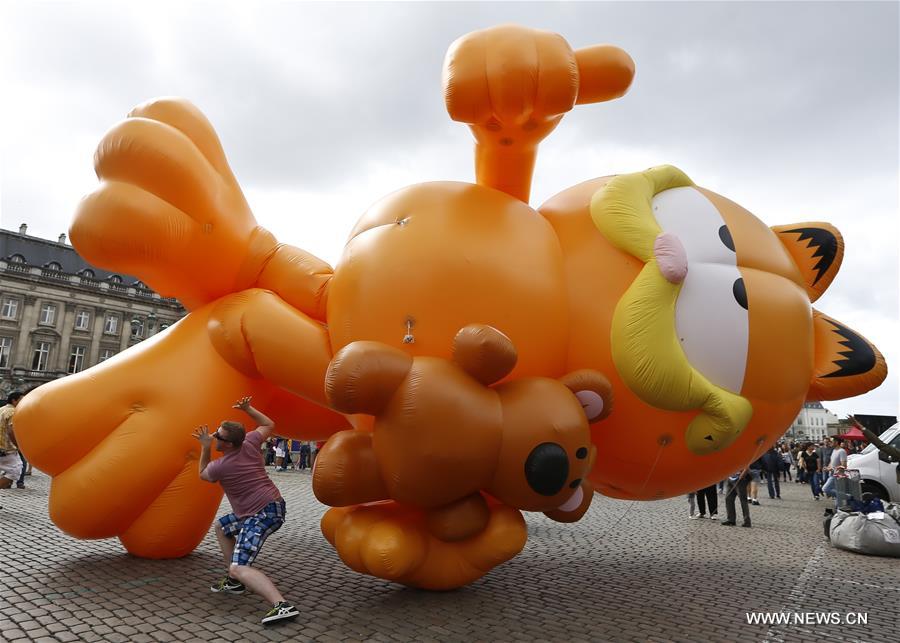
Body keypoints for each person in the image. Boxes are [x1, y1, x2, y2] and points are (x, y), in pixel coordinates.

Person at [193, 396, 299, 625]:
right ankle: (235, 581)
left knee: (239, 566)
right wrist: (248, 409)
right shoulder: (249, 441)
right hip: (265, 507)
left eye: (217, 437)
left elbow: (203, 473)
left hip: (263, 513)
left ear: (229, 444)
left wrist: (205, 448)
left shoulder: (224, 465)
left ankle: (281, 605)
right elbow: (269, 425)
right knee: (222, 526)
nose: (213, 437)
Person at [0, 391, 25, 493]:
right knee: (16, 470)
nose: (23, 402)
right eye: (21, 400)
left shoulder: (2, 409)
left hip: (2, 447)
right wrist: (18, 446)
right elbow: (11, 431)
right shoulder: (13, 412)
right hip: (7, 448)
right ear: (14, 400)